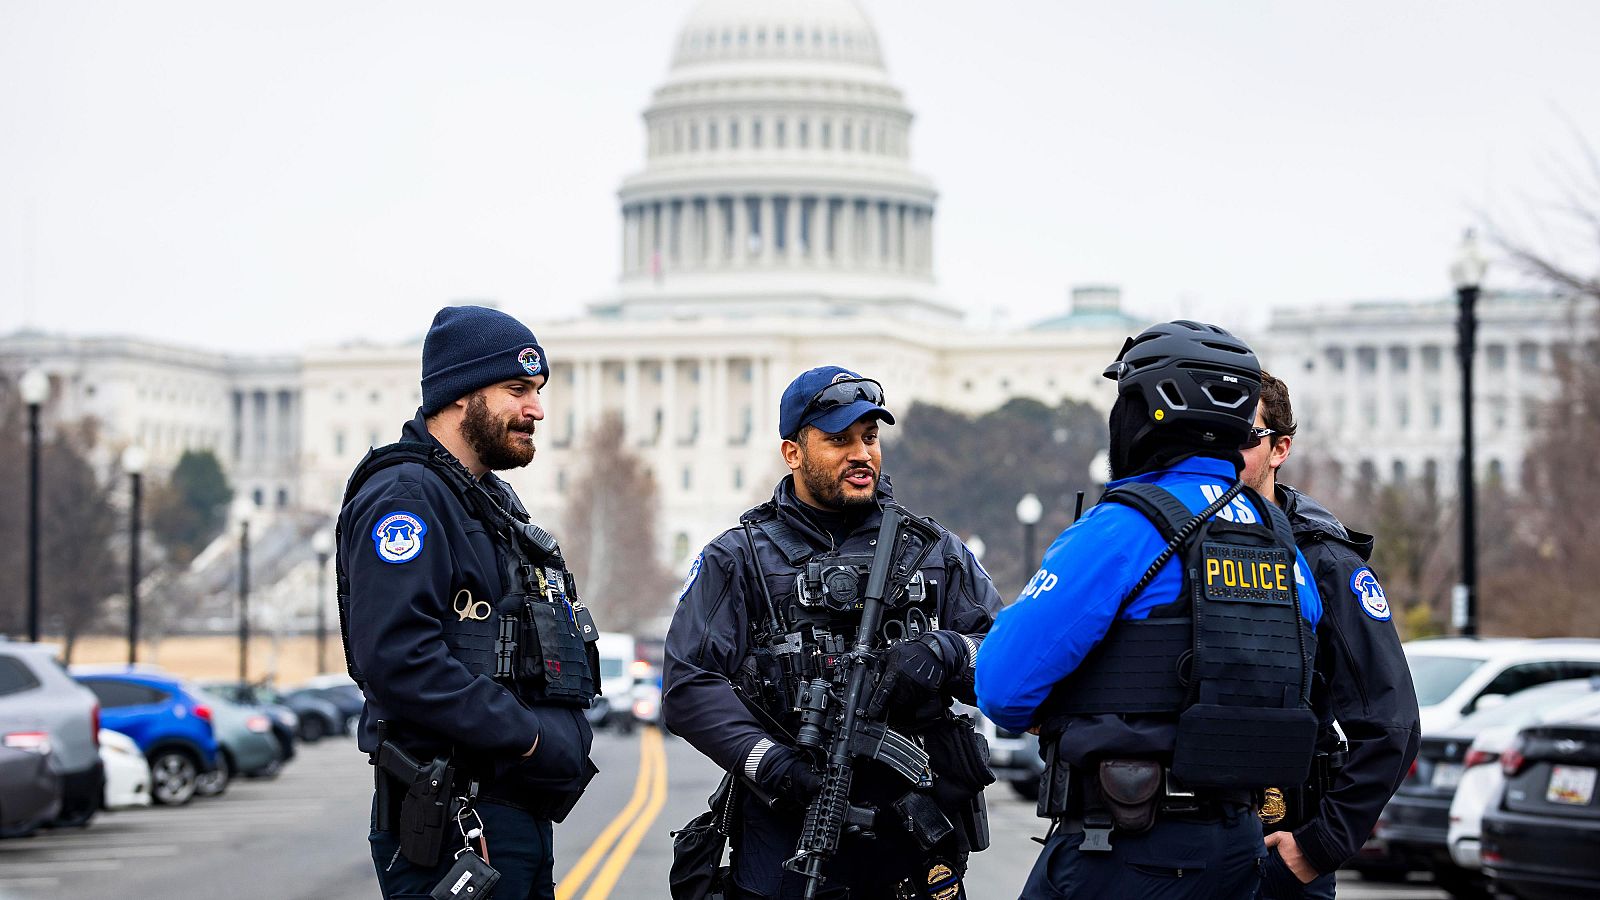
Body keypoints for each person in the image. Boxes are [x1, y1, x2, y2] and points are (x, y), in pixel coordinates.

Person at [976, 320, 1325, 899]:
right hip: (1239, 848)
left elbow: (1002, 688)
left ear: (1149, 411)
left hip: (1128, 847)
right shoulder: (1280, 540)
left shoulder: (1124, 527)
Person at [663, 365, 1004, 899]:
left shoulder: (933, 550)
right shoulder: (740, 557)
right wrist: (774, 764)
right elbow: (688, 687)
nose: (861, 454)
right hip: (791, 831)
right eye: (839, 440)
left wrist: (949, 650)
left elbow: (1009, 660)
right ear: (793, 453)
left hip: (912, 837)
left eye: (869, 438)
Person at [339, 305, 599, 900]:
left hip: (508, 814)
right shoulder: (406, 498)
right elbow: (399, 659)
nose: (536, 409)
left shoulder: (483, 501)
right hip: (454, 822)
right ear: (460, 393)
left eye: (537, 391)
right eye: (517, 390)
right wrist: (528, 737)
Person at [1242, 372, 1421, 899]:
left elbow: (1392, 724)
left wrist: (1318, 847)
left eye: (1245, 437)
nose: (1225, 453)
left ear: (1280, 449)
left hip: (1276, 845)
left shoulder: (1323, 560)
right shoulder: (1172, 545)